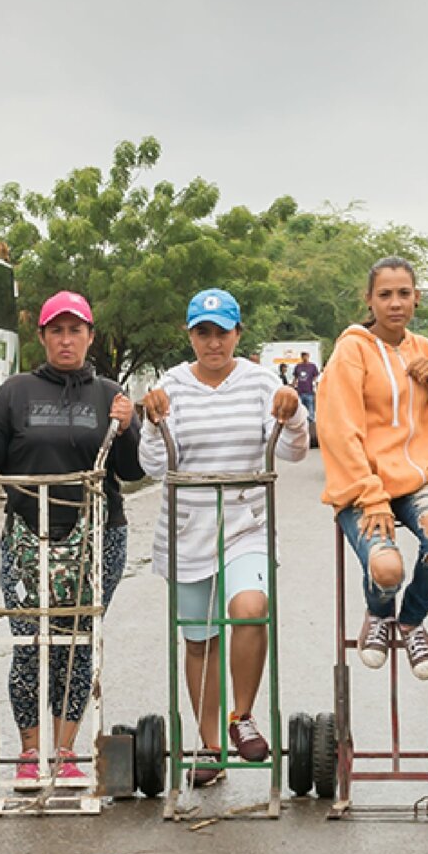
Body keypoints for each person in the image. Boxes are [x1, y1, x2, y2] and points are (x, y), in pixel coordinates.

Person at [0, 290, 145, 785]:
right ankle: (28, 752)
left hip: (97, 537)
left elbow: (129, 470)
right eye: (56, 331)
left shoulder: (109, 394)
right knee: (31, 642)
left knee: (78, 643)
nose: (66, 340)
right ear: (42, 337)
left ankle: (65, 753)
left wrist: (127, 428)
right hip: (27, 536)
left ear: (89, 336)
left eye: (75, 330)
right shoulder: (16, 392)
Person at [137, 289, 308, 787]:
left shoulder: (259, 382)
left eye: (222, 332)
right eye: (203, 333)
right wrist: (152, 423)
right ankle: (209, 745)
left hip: (245, 522)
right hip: (189, 528)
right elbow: (152, 467)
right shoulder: (170, 386)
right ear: (190, 335)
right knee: (199, 640)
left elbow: (295, 451)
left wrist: (293, 411)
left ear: (238, 334)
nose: (213, 343)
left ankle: (242, 717)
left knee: (251, 607)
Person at [317, 257, 428, 683]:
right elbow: (339, 431)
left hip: (417, 482)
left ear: (416, 298)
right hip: (362, 485)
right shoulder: (351, 350)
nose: (395, 303)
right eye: (385, 294)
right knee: (387, 568)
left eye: (404, 294)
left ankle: (408, 623)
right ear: (369, 300)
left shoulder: (427, 349)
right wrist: (371, 496)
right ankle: (377, 611)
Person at [291, 351, 319, 423]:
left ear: (308, 356)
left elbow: (315, 378)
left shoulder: (312, 366)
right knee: (301, 408)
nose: (305, 358)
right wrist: (292, 387)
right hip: (300, 391)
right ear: (301, 357)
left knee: (310, 408)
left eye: (306, 356)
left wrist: (316, 388)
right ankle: (302, 421)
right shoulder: (298, 366)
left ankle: (311, 423)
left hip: (309, 391)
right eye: (303, 356)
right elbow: (295, 378)